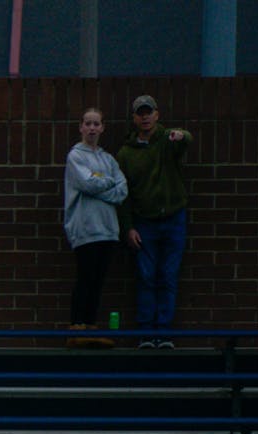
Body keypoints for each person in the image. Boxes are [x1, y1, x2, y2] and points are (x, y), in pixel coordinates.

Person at [116, 94, 193, 350]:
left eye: (149, 112)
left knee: (168, 276)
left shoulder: (168, 140)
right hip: (144, 222)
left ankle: (165, 333)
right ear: (134, 118)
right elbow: (123, 195)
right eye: (140, 112)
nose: (145, 116)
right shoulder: (126, 153)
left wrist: (181, 136)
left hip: (173, 218)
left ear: (157, 114)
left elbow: (185, 140)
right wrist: (128, 227)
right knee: (147, 276)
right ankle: (146, 334)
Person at [63, 107, 129, 349]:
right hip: (86, 229)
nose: (92, 128)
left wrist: (102, 183)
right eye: (87, 123)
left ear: (102, 128)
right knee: (86, 278)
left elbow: (122, 190)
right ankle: (77, 326)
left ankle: (90, 326)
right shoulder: (75, 156)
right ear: (81, 127)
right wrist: (107, 182)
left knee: (98, 280)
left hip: (108, 230)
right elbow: (87, 183)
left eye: (96, 124)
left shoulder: (108, 159)